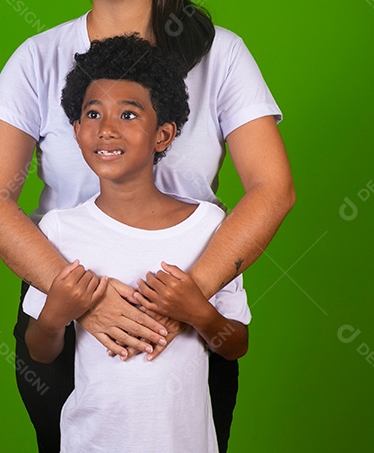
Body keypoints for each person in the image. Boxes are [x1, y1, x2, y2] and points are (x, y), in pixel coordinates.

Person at [0, 0, 296, 452]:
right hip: (65, 303)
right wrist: (81, 300)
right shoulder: (39, 58)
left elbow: (271, 188)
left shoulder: (221, 55)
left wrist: (186, 302)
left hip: (193, 308)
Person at [23, 34, 250, 453]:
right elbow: (40, 351)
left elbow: (235, 344)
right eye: (93, 113)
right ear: (76, 131)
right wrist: (55, 315)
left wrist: (198, 312)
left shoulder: (207, 227)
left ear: (163, 135)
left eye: (128, 115)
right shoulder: (60, 230)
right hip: (90, 443)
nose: (107, 128)